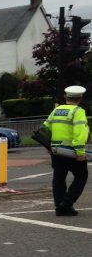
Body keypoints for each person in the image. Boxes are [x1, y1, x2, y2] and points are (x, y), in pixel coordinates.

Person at [43, 85, 89, 216]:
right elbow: (79, 133)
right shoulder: (78, 111)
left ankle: (59, 206)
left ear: (66, 97)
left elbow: (45, 129)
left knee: (59, 177)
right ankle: (66, 204)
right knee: (81, 176)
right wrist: (80, 153)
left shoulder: (57, 110)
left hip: (56, 151)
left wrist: (48, 146)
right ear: (80, 98)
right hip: (70, 151)